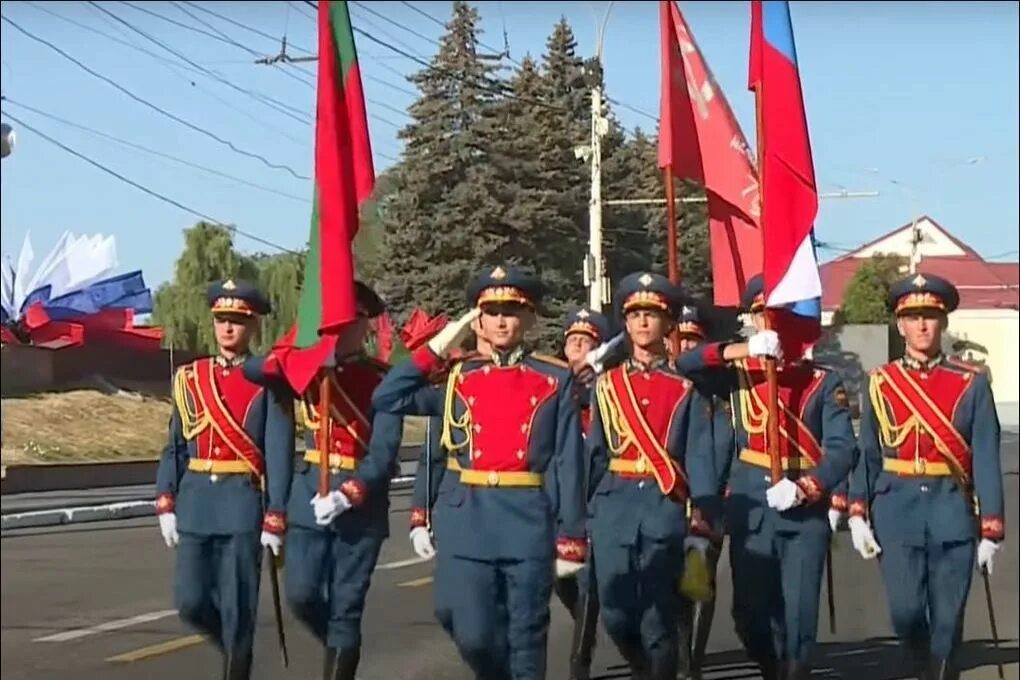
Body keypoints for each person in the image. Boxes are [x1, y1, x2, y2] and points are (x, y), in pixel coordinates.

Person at [373, 263, 588, 680]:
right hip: (467, 519)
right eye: (491, 312)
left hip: (526, 519)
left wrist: (572, 535)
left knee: (525, 637)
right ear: (479, 321)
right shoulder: (457, 376)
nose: (502, 319)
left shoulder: (553, 378)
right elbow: (387, 397)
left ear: (528, 318)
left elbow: (568, 461)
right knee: (464, 625)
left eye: (512, 310)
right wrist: (439, 345)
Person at [675, 274, 857, 680]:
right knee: (750, 616)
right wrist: (742, 348)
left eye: (781, 314)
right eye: (762, 314)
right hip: (752, 509)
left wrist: (807, 486)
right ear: (751, 319)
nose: (771, 322)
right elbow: (684, 363)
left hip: (802, 511)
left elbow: (844, 448)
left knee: (798, 618)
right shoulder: (738, 371)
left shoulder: (823, 381)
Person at [847, 273, 1004, 680]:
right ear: (899, 325)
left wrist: (991, 529)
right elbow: (867, 452)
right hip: (896, 511)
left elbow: (985, 455)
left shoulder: (970, 384)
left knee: (948, 622)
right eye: (913, 317)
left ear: (943, 323)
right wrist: (857, 511)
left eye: (930, 316)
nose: (921, 325)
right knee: (906, 616)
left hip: (951, 511)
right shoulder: (881, 383)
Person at [244, 281, 401, 680]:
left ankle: (342, 655)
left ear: (365, 325)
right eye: (335, 318)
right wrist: (304, 351)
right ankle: (342, 645)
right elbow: (252, 369)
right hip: (310, 490)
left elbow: (383, 453)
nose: (341, 326)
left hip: (360, 504)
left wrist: (350, 494)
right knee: (302, 595)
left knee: (347, 606)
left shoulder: (384, 380)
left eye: (352, 319)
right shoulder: (306, 369)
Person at [155, 279, 294, 680]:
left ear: (253, 327)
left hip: (241, 504)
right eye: (221, 320)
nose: (228, 329)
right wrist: (165, 497)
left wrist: (277, 514)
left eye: (237, 321)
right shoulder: (190, 378)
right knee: (190, 602)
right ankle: (238, 652)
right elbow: (176, 446)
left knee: (238, 606)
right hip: (196, 502)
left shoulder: (269, 381)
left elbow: (279, 453)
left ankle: (237, 664)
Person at [586, 272, 719, 680]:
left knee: (658, 620)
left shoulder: (684, 388)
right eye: (636, 314)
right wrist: (574, 518)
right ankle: (643, 667)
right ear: (625, 323)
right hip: (613, 506)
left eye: (653, 315)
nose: (643, 322)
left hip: (665, 509)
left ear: (668, 325)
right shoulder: (606, 385)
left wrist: (702, 518)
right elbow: (594, 453)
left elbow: (699, 456)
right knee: (615, 611)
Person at [672, 305, 730, 680]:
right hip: (667, 500)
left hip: (709, 503)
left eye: (693, 339)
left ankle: (690, 662)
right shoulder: (662, 383)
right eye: (681, 338)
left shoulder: (720, 388)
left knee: (697, 585)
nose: (686, 347)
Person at [555, 307, 611, 680]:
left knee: (588, 578)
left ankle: (580, 661)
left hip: (595, 498)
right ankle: (585, 624)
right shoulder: (552, 387)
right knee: (560, 580)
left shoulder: (607, 391)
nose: (577, 347)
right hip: (557, 503)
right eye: (572, 341)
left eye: (585, 342)